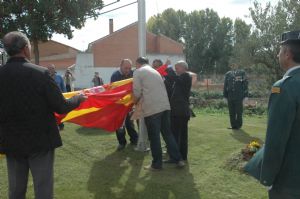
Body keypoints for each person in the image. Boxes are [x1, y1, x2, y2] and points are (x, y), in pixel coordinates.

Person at [0, 31, 86, 199]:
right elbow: (61, 106)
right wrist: (78, 99)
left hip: (11, 141)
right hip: (40, 141)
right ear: (26, 49)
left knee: (16, 189)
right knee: (43, 187)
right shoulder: (41, 74)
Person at [245, 30, 300, 199]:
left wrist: (267, 176)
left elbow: (276, 140)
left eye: (279, 51)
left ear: (287, 54)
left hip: (289, 182)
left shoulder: (284, 87)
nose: (277, 55)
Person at [132, 57, 185, 171]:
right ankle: (178, 159)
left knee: (154, 137)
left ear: (138, 64)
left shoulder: (138, 71)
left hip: (152, 108)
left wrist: (134, 102)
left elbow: (136, 91)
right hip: (165, 106)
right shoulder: (155, 71)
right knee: (167, 134)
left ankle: (156, 164)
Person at [165, 60, 192, 161]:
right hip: (178, 112)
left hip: (180, 112)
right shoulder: (180, 78)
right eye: (175, 67)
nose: (176, 69)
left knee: (178, 135)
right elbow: (171, 79)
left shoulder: (186, 76)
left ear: (184, 68)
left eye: (177, 67)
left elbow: (174, 77)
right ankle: (181, 156)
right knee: (178, 134)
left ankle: (177, 156)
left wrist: (169, 66)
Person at [111, 59, 138, 150]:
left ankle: (134, 140)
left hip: (129, 104)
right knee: (119, 125)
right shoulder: (115, 76)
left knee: (130, 123)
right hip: (119, 105)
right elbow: (114, 91)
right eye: (126, 68)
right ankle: (122, 143)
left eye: (129, 68)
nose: (128, 70)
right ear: (121, 66)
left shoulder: (132, 74)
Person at [223, 63, 248, 129]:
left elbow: (245, 84)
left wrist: (246, 95)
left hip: (239, 96)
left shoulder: (242, 73)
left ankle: (238, 125)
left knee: (239, 112)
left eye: (235, 65)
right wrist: (225, 96)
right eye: (232, 65)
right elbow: (225, 85)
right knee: (231, 112)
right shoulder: (228, 74)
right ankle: (233, 125)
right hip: (230, 96)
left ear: (237, 65)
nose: (233, 66)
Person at [47, 64, 66, 130]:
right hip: (49, 98)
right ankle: (53, 125)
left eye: (52, 68)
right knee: (52, 112)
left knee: (59, 111)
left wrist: (65, 95)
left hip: (59, 97)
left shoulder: (59, 77)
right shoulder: (46, 77)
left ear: (54, 69)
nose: (51, 70)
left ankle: (61, 124)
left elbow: (63, 87)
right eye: (49, 68)